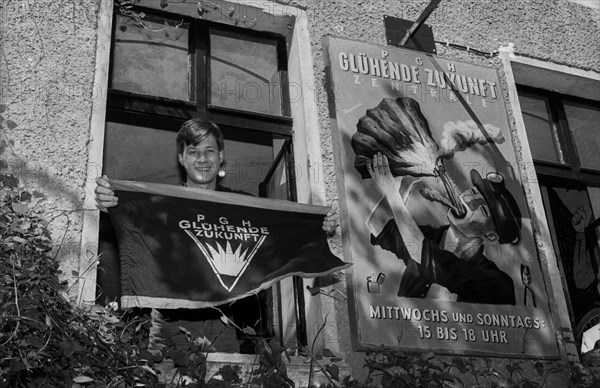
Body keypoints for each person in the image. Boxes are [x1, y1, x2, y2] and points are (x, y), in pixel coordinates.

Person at [95, 118, 339, 352]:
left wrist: (317, 227)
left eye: (209, 151)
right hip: (168, 323)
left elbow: (282, 233)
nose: (202, 159)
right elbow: (130, 218)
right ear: (181, 158)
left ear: (221, 156)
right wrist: (111, 202)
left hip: (222, 325)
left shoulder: (242, 207)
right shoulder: (161, 205)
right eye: (193, 151)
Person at [367, 152, 518, 305]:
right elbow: (377, 224)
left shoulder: (497, 283)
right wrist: (407, 180)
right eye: (473, 192)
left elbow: (422, 254)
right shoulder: (429, 237)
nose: (468, 200)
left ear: (490, 236)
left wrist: (392, 194)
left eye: (483, 209)